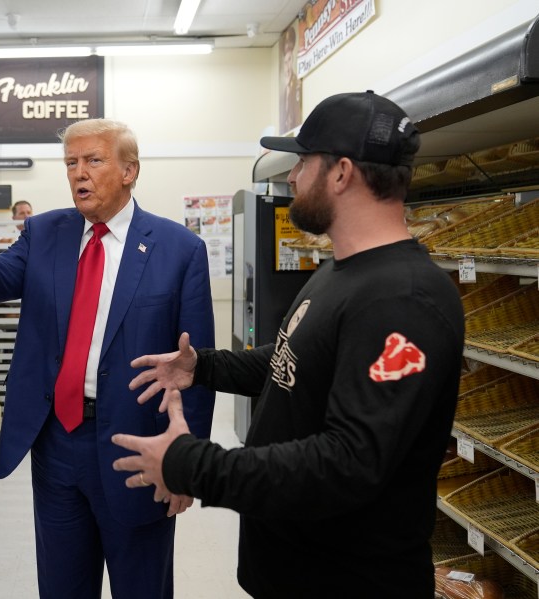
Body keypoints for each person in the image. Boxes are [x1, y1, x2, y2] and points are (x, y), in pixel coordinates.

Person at [111, 91, 465, 598]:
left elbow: (348, 462)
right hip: (296, 567)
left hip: (348, 580)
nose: (293, 177)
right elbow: (292, 361)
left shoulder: (402, 300)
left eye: (303, 162)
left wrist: (193, 465)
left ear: (341, 173)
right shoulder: (342, 272)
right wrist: (202, 368)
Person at [0, 118, 215, 599]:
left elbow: (198, 367)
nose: (78, 173)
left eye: (93, 160)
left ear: (129, 171)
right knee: (62, 585)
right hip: (58, 444)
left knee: (142, 586)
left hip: (138, 447)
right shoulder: (45, 233)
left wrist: (190, 463)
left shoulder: (179, 250)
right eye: (71, 162)